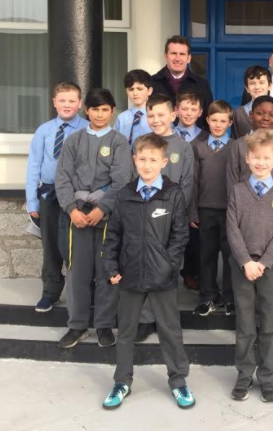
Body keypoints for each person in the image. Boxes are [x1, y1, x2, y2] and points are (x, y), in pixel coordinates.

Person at [101, 133, 194, 411]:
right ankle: (122, 381)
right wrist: (112, 266)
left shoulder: (173, 193)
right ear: (134, 160)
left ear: (164, 162)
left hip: (162, 276)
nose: (147, 164)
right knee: (126, 331)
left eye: (153, 159)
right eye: (142, 159)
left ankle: (178, 381)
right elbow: (113, 234)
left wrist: (169, 266)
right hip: (130, 275)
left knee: (170, 331)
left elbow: (180, 237)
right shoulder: (125, 194)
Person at [55, 88, 134, 349]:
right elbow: (63, 177)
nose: (100, 114)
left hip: (106, 216)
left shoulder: (119, 142)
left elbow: (122, 180)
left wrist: (104, 208)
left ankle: (103, 325)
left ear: (112, 111)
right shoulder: (73, 141)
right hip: (76, 214)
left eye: (105, 109)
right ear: (85, 110)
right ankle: (76, 325)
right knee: (77, 272)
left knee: (106, 272)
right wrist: (71, 209)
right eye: (95, 109)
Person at [226, 129, 273, 403]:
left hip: (272, 267)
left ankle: (267, 377)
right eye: (256, 157)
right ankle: (244, 375)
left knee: (269, 324)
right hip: (242, 266)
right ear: (247, 158)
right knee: (245, 325)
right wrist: (246, 261)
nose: (261, 162)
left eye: (267, 157)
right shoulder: (238, 191)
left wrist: (264, 263)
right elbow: (232, 228)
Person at [136, 93, 195, 343]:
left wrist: (172, 214)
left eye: (161, 115)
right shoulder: (141, 143)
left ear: (174, 115)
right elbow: (135, 180)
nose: (156, 119)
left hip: (172, 220)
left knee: (170, 269)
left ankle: (167, 321)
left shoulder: (183, 146)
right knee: (146, 268)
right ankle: (146, 319)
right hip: (145, 218)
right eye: (151, 115)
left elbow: (188, 183)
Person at [26, 81, 89, 313]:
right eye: (62, 100)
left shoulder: (87, 128)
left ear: (80, 104)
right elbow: (33, 165)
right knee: (51, 245)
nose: (67, 104)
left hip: (77, 196)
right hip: (49, 196)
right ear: (54, 102)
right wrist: (32, 201)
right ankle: (50, 292)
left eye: (72, 100)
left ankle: (83, 291)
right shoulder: (44, 130)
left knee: (78, 245)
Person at [191, 101, 235, 316]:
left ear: (230, 122)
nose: (218, 125)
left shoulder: (236, 146)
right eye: (214, 120)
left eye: (223, 121)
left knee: (230, 255)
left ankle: (230, 297)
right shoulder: (197, 147)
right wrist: (192, 210)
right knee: (206, 254)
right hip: (205, 209)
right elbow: (192, 181)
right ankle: (208, 297)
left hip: (229, 210)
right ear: (207, 120)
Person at [173, 89, 206, 300]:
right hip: (171, 195)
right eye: (184, 108)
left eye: (193, 109)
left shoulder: (205, 137)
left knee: (195, 240)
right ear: (176, 111)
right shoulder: (166, 135)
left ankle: (191, 272)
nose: (188, 113)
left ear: (200, 112)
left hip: (196, 194)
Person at [226, 96, 273, 194]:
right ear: (251, 115)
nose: (266, 118)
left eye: (272, 114)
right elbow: (232, 182)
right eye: (259, 113)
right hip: (244, 204)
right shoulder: (238, 145)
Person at [151, 35, 213, 129]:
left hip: (194, 142)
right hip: (158, 141)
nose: (177, 58)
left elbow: (208, 119)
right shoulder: (151, 83)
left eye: (182, 54)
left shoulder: (202, 85)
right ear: (166, 56)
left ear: (189, 58)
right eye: (173, 53)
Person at [234, 65, 273, 138]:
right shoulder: (238, 113)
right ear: (247, 88)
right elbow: (235, 141)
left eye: (261, 83)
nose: (257, 87)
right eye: (252, 83)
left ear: (270, 86)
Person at [113, 69, 154, 147]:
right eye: (131, 89)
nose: (135, 93)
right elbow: (115, 143)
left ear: (150, 91)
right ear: (126, 92)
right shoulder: (122, 118)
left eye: (140, 89)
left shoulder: (157, 116)